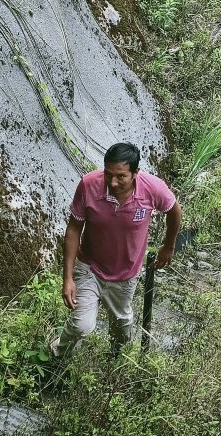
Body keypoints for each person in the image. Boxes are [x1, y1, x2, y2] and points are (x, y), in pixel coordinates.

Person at [51, 142, 182, 356]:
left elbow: (174, 210)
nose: (113, 182)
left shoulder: (152, 188)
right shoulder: (89, 185)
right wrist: (68, 278)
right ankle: (57, 355)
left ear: (135, 173)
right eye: (108, 174)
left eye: (121, 176)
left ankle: (114, 361)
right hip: (90, 267)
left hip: (125, 274)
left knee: (122, 328)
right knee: (81, 325)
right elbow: (74, 229)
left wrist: (168, 246)